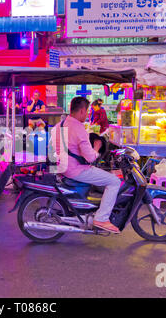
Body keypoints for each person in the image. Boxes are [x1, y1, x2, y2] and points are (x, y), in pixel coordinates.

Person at [52, 96, 121, 234]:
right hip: (75, 170)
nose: (88, 113)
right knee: (114, 181)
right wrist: (96, 148)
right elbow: (90, 158)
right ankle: (101, 218)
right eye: (87, 111)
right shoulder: (78, 128)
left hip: (61, 167)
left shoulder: (59, 125)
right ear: (82, 110)